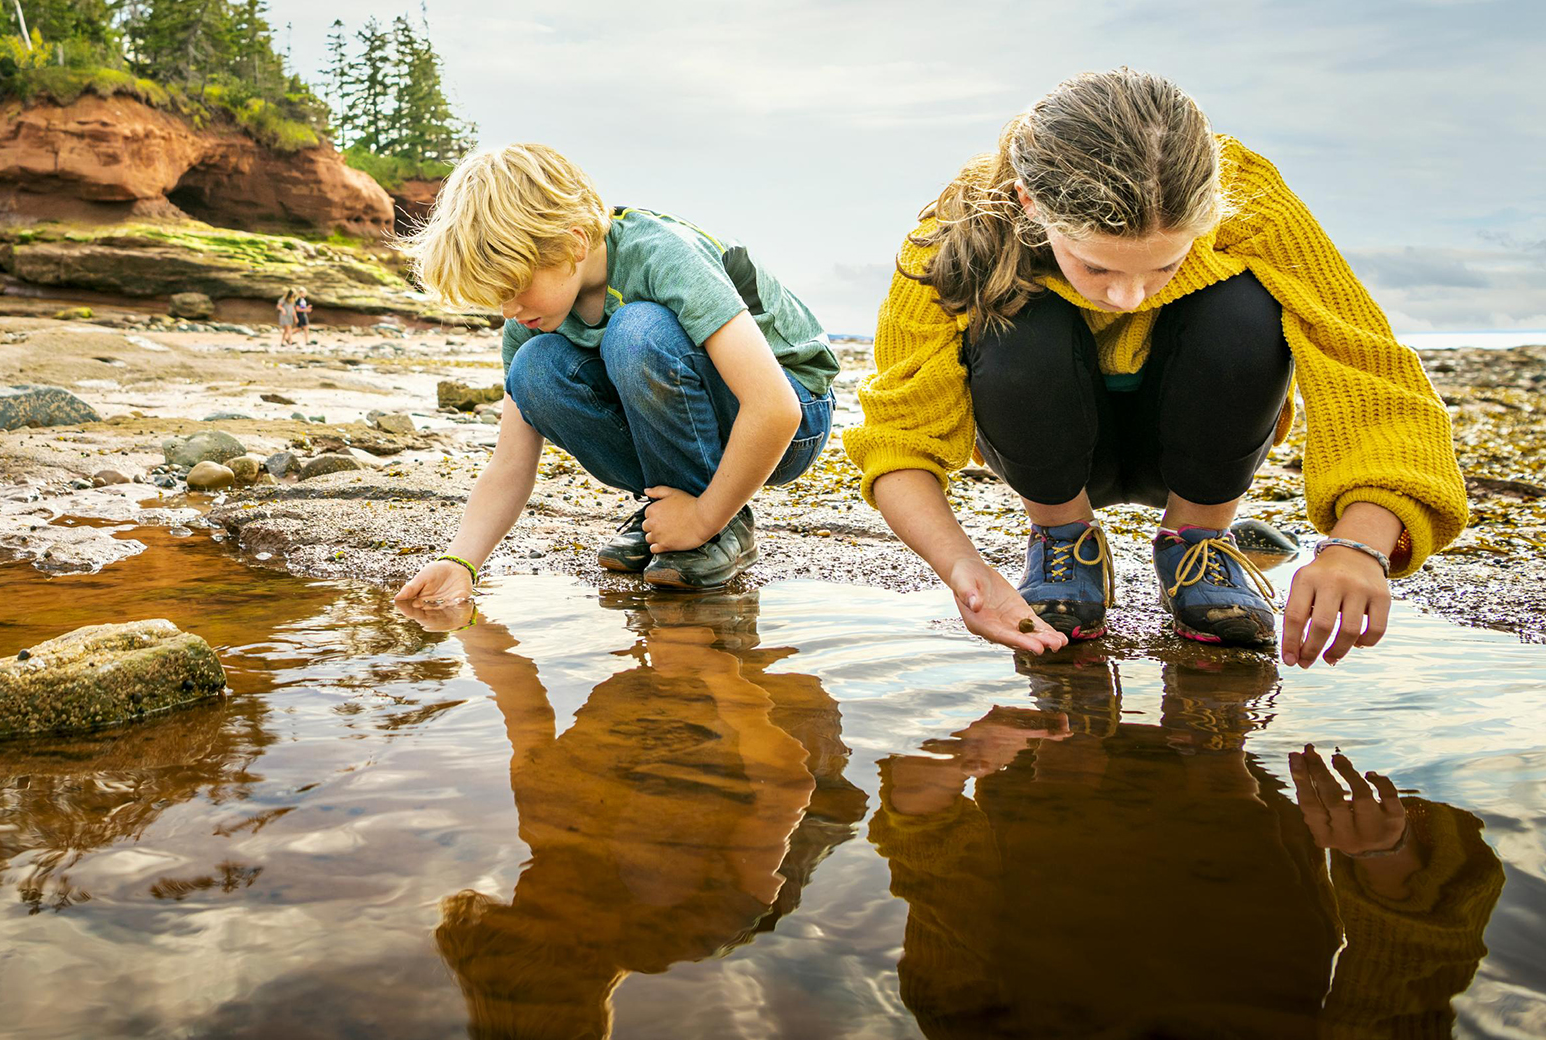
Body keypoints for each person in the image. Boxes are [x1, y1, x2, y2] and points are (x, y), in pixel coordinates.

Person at [845, 68, 1467, 665]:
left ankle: (1198, 543)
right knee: (1012, 318)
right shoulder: (954, 231)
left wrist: (1358, 545)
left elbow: (1370, 373)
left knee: (1245, 307)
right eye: (1099, 267)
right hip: (1047, 444)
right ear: (1028, 202)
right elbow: (899, 439)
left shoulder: (1255, 205)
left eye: (1165, 265)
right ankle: (1065, 543)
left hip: (1201, 442)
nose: (1129, 297)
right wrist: (968, 572)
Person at [870, 655, 1503, 1038]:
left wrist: (944, 776)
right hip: (1232, 838)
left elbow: (940, 897)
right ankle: (1210, 756)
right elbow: (1407, 984)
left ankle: (1101, 744)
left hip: (1053, 792)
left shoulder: (972, 1024)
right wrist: (1382, 861)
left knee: (1070, 732)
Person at [396, 142, 837, 596]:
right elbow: (510, 462)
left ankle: (716, 525)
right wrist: (461, 562)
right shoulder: (529, 320)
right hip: (710, 423)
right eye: (495, 297)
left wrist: (705, 518)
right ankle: (666, 509)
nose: (509, 310)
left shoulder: (662, 255)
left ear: (574, 242)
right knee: (533, 368)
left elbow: (775, 408)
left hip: (791, 417)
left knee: (638, 329)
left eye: (516, 288)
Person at [425, 594, 865, 1039]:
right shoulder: (690, 927)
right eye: (540, 915)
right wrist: (715, 671)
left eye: (519, 906)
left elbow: (519, 696)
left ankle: (690, 572)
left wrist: (464, 620)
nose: (529, 889)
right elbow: (788, 783)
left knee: (670, 578)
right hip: (789, 736)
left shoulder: (550, 822)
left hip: (667, 725)